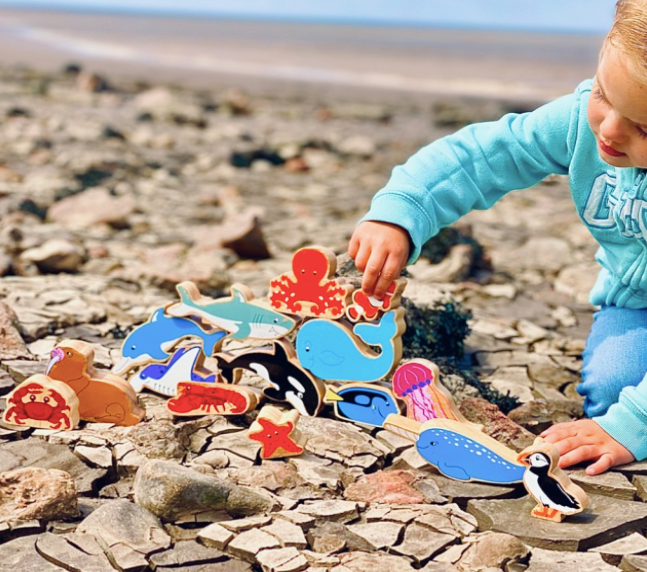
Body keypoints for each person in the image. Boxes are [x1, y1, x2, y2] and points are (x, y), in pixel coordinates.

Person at [348, 0, 647, 476]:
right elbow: (484, 155)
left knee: (630, 419)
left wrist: (634, 422)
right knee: (611, 392)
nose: (608, 131)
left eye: (644, 128)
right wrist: (403, 210)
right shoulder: (580, 123)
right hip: (636, 302)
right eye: (605, 96)